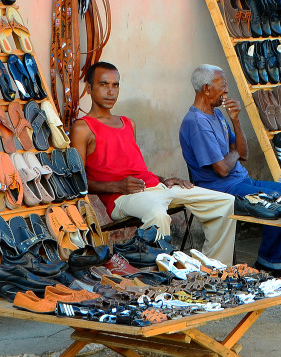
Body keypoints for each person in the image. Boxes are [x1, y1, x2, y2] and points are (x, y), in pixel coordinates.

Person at [70, 61, 236, 266]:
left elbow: (134, 166)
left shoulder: (128, 123)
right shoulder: (82, 127)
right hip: (122, 197)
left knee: (224, 202)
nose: (111, 91)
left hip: (154, 187)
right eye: (104, 84)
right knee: (157, 214)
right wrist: (117, 186)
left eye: (115, 85)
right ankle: (163, 278)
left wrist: (164, 179)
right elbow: (76, 182)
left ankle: (215, 269)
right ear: (89, 88)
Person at [179, 65, 281, 277]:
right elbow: (221, 169)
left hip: (241, 180)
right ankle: (271, 264)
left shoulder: (218, 115)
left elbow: (243, 153)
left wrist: (236, 120)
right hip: (221, 188)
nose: (226, 92)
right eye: (223, 86)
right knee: (275, 203)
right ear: (207, 89)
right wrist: (235, 152)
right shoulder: (196, 122)